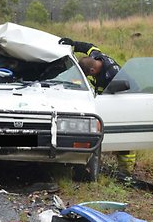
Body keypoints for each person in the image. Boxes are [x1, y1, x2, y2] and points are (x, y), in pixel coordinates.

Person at [58, 37, 135, 175]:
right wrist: (73, 43)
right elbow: (88, 46)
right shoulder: (96, 56)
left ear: (92, 70)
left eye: (87, 75)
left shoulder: (112, 74)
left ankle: (127, 172)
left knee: (124, 141)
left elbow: (125, 89)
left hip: (125, 100)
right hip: (109, 99)